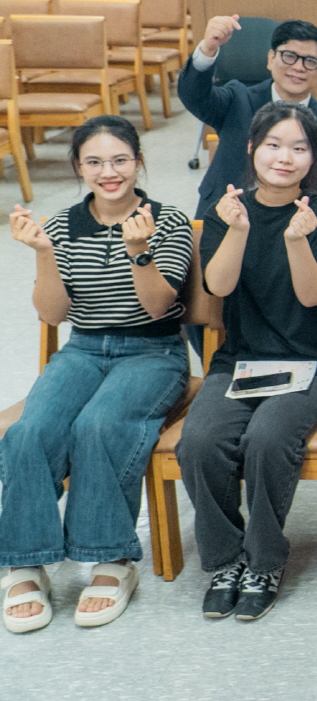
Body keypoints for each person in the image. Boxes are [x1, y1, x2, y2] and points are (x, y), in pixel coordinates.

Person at [1, 117, 191, 633]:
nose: (108, 172)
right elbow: (53, 314)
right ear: (78, 168)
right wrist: (44, 253)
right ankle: (25, 560)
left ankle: (110, 559)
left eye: (119, 160)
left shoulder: (168, 220)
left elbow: (157, 308)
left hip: (152, 352)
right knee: (28, 432)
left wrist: (138, 252)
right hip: (83, 347)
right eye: (94, 162)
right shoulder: (63, 226)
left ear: (138, 161)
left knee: (100, 426)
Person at [179, 102, 317, 622]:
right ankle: (226, 559)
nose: (285, 157)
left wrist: (297, 239)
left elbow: (313, 296)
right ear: (252, 149)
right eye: (274, 145)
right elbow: (219, 287)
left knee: (268, 439)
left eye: (299, 148)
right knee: (200, 440)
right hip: (241, 361)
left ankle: (264, 561)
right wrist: (237, 230)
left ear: (312, 157)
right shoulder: (228, 210)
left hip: (315, 363)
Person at [180, 16, 317, 217]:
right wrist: (208, 49)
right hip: (225, 215)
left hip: (294, 230)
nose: (298, 67)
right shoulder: (238, 99)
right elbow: (195, 96)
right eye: (289, 56)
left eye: (310, 61)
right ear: (271, 59)